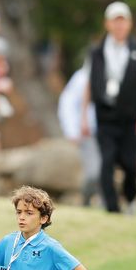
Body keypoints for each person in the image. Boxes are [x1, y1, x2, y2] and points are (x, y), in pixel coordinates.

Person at [81, 2, 136, 214]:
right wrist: (84, 117)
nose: (119, 26)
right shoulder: (96, 52)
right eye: (115, 21)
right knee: (106, 161)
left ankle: (131, 198)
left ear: (130, 24)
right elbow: (88, 85)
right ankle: (112, 208)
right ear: (107, 24)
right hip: (105, 116)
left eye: (123, 21)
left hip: (131, 117)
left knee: (130, 165)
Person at [57, 66, 99, 207]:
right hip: (88, 133)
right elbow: (67, 103)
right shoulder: (81, 78)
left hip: (109, 132)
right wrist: (72, 130)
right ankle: (86, 201)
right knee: (93, 172)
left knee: (106, 172)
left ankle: (106, 206)